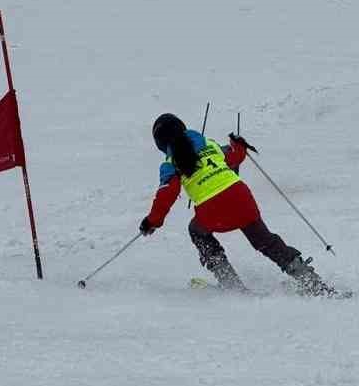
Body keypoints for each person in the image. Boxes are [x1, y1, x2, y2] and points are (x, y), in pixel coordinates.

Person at [140, 113, 334, 295]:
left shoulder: (169, 162)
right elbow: (234, 156)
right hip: (241, 198)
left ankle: (230, 283)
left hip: (212, 210)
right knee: (265, 241)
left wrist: (152, 221)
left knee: (196, 230)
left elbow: (167, 194)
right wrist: (238, 144)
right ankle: (311, 282)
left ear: (160, 144)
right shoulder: (209, 144)